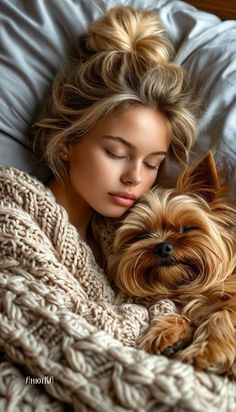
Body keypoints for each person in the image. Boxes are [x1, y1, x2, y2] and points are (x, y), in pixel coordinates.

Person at [0, 6, 199, 411]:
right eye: (116, 153)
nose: (134, 178)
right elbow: (43, 354)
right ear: (68, 140)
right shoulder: (11, 214)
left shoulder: (135, 247)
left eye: (152, 163)